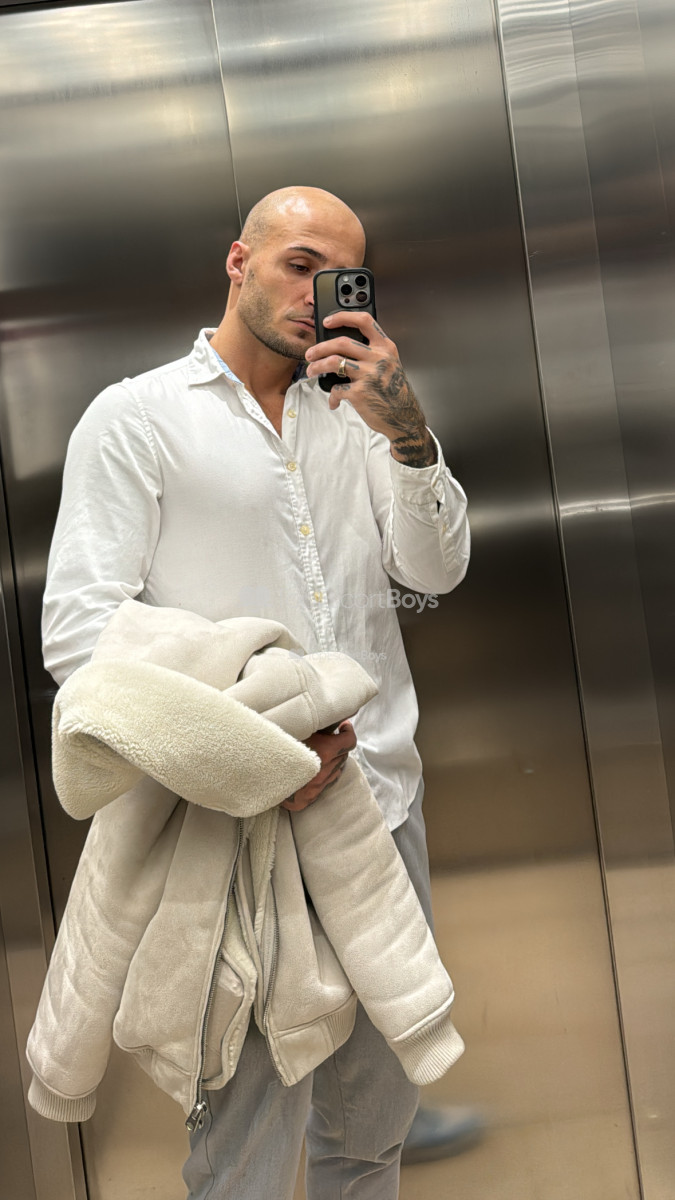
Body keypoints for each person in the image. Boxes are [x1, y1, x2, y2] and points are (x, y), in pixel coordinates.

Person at [40, 185, 472, 1198]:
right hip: (236, 833)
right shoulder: (137, 418)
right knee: (244, 1160)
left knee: (371, 1135)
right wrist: (256, 753)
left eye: (342, 275)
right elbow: (82, 635)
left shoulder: (363, 416)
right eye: (298, 264)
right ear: (238, 263)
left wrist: (408, 435)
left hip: (381, 807)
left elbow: (435, 571)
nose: (319, 292)